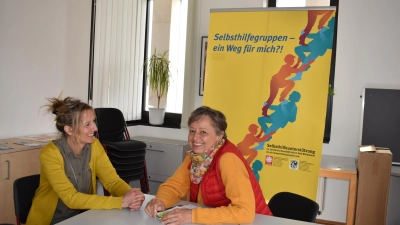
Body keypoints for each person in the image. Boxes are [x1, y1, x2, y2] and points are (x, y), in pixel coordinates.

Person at [26, 96, 145, 225]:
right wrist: (120, 202)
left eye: (94, 121)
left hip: (83, 217)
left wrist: (131, 195)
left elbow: (112, 182)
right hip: (52, 221)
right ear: (69, 129)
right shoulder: (50, 153)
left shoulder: (95, 145)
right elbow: (70, 198)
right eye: (87, 124)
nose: (95, 128)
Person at [145, 106, 272, 225]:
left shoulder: (228, 160)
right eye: (192, 131)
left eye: (203, 132)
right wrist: (160, 200)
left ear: (219, 135)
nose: (195, 137)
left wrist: (192, 215)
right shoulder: (194, 157)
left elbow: (245, 212)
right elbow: (174, 187)